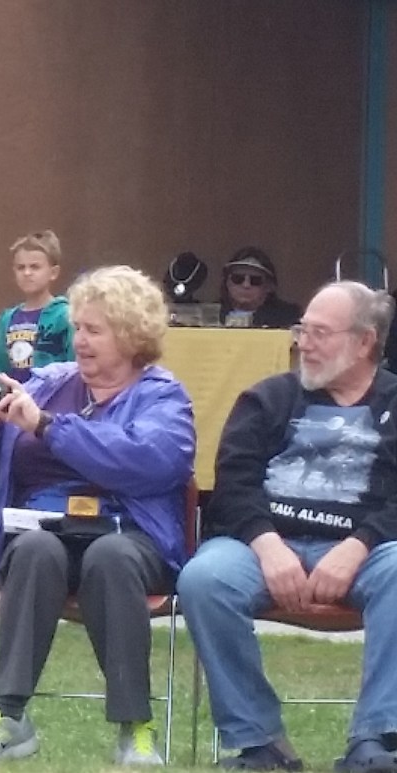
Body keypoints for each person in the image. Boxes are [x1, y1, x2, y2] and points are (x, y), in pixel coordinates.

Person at [0, 266, 196, 766]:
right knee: (35, 550)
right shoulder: (46, 383)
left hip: (130, 533)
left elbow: (148, 461)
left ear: (131, 336)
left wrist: (48, 428)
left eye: (94, 330)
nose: (79, 340)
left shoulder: (163, 396)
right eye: (78, 327)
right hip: (42, 527)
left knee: (111, 556)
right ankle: (9, 718)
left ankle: (135, 727)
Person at [177, 281, 397, 772]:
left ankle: (376, 741)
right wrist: (268, 546)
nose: (303, 343)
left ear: (364, 341)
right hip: (263, 545)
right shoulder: (267, 398)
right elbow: (233, 485)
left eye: (320, 333)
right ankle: (261, 743)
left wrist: (358, 545)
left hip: (370, 552)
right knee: (204, 579)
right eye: (303, 330)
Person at [0, 231, 74, 382]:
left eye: (35, 267)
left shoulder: (65, 315)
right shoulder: (7, 319)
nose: (27, 273)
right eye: (21, 267)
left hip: (53, 394)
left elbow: (75, 364)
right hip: (13, 395)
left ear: (53, 273)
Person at [219, 247, 303, 330]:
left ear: (269, 286)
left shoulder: (288, 317)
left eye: (255, 280)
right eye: (238, 279)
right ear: (227, 282)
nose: (246, 285)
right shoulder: (213, 313)